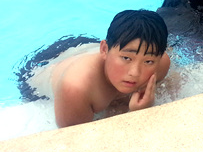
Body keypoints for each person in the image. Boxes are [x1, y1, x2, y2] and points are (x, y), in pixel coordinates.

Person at [27, 10, 171, 128]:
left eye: (148, 61)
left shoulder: (161, 64)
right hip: (43, 67)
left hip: (89, 47)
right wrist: (136, 115)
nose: (135, 72)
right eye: (126, 58)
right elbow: (77, 145)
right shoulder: (76, 87)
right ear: (104, 50)